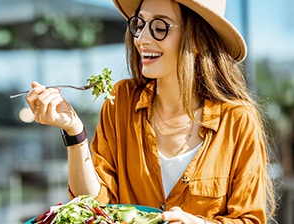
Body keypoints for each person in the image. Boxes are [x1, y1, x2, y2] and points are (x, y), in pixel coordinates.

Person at [26, 0, 276, 223]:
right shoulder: (119, 102)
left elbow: (249, 219)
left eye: (160, 27)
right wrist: (74, 132)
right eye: (139, 24)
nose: (142, 39)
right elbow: (93, 207)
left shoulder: (237, 120)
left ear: (198, 38)